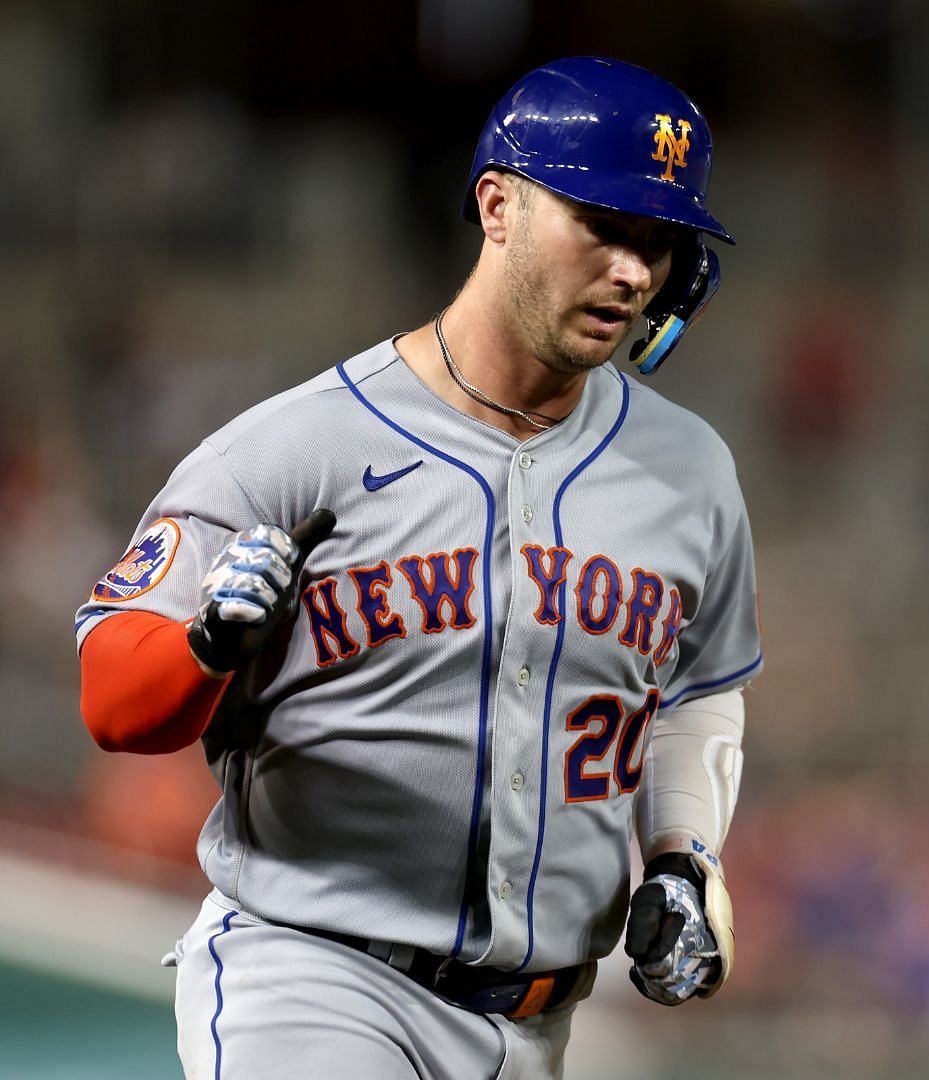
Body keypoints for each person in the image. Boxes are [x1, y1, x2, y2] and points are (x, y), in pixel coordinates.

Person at [73, 57, 762, 1079]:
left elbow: (700, 694)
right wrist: (210, 643)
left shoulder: (691, 470)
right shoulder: (295, 449)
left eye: (660, 242)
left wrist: (680, 855)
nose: (634, 271)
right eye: (606, 226)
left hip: (538, 1025)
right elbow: (113, 699)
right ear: (498, 205)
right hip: (312, 980)